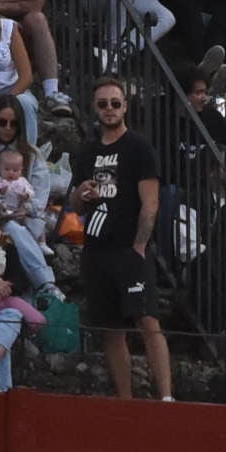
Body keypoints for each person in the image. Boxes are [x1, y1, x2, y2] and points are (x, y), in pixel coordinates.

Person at [72, 76, 172, 403]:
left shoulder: (139, 147)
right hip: (96, 250)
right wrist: (80, 193)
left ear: (125, 106)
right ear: (95, 109)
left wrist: (140, 247)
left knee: (148, 321)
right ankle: (125, 401)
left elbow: (151, 202)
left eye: (115, 103)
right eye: (103, 104)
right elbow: (74, 207)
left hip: (129, 249)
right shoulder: (87, 152)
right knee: (111, 329)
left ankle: (167, 399)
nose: (110, 109)